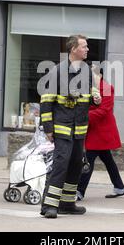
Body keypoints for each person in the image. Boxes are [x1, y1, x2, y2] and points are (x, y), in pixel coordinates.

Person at [39, 34, 101, 219]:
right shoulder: (57, 72)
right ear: (73, 49)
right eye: (84, 46)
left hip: (79, 129)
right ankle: (49, 205)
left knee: (75, 165)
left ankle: (67, 203)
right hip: (62, 128)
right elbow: (46, 101)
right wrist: (48, 129)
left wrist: (95, 99)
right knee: (60, 165)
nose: (87, 49)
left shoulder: (86, 71)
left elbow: (90, 96)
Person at [76, 64, 124, 200]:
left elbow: (103, 111)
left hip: (102, 131)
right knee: (108, 160)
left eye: (94, 75)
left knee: (89, 160)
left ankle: (79, 192)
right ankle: (119, 187)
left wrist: (83, 116)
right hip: (95, 130)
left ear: (100, 76)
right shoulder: (88, 89)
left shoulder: (107, 89)